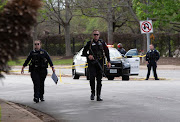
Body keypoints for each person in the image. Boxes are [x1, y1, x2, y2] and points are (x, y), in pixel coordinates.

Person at [82, 30, 111, 101]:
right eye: (95, 34)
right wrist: (89, 56)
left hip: (100, 63)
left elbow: (107, 52)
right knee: (92, 78)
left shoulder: (102, 43)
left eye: (97, 34)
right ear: (93, 35)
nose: (96, 36)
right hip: (92, 63)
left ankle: (98, 95)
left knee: (99, 79)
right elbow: (84, 52)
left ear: (99, 35)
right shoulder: (89, 43)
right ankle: (93, 93)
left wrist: (109, 61)